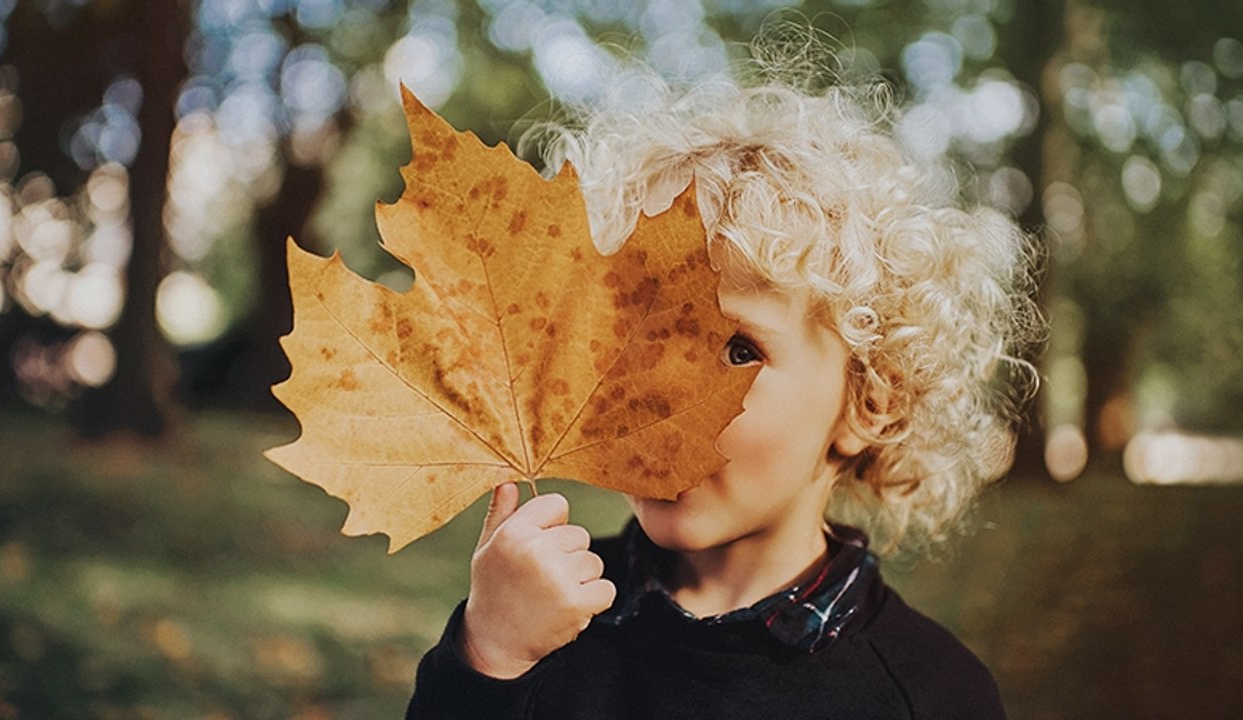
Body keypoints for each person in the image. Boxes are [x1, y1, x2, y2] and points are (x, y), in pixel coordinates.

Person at [405, 47, 1042, 720]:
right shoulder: (541, 611)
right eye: (634, 335)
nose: (656, 388)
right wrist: (490, 658)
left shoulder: (932, 693)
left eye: (737, 349)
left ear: (870, 401)